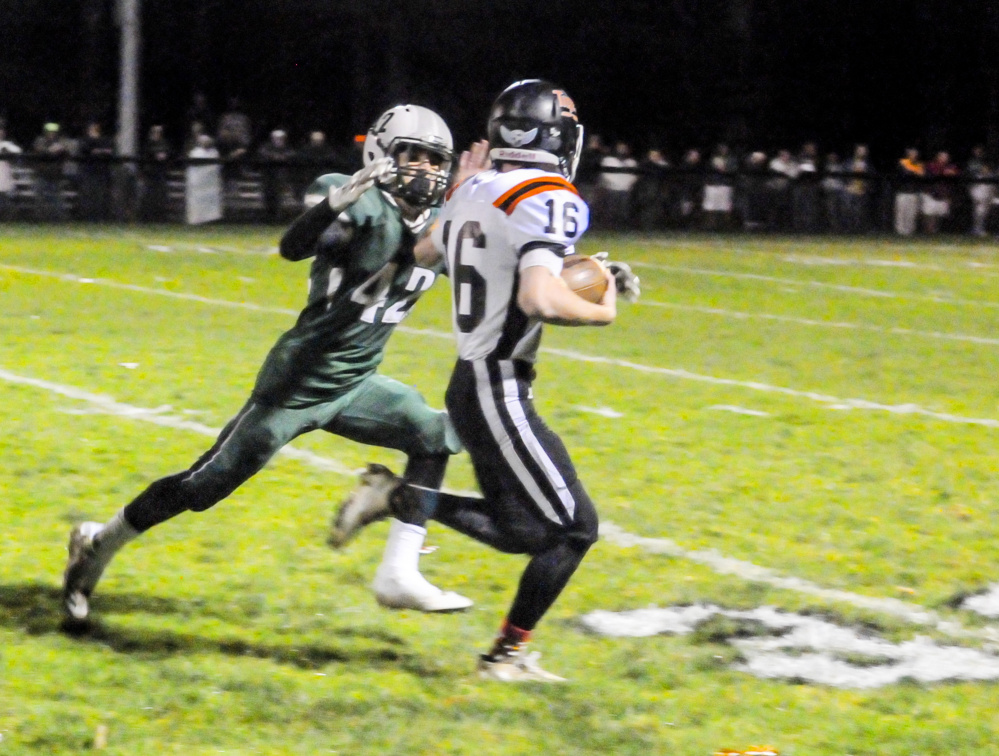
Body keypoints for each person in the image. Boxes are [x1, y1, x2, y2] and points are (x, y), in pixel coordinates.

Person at [62, 105, 480, 622]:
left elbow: (492, 266)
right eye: (411, 154)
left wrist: (575, 269)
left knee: (435, 435)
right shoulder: (358, 198)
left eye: (434, 159)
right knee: (201, 487)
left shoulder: (440, 223)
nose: (423, 168)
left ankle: (399, 571)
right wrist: (336, 203)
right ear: (380, 151)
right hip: (298, 384)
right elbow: (298, 245)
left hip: (357, 382)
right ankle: (97, 544)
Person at [331, 80, 639, 682]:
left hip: (471, 386)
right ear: (556, 136)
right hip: (497, 389)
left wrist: (584, 268)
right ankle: (505, 658)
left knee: (522, 529)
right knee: (575, 529)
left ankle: (394, 498)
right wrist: (600, 305)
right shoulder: (551, 195)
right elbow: (536, 294)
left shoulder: (476, 189)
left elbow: (429, 252)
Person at [31, 122, 71, 221]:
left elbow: (66, 152)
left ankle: (58, 219)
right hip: (41, 174)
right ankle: (39, 219)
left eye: (54, 132)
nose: (51, 134)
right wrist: (50, 151)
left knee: (57, 198)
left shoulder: (61, 141)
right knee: (39, 198)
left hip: (55, 175)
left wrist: (59, 149)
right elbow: (39, 151)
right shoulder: (40, 140)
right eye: (49, 132)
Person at [140, 124, 174, 222]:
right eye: (155, 132)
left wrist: (163, 156)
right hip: (150, 174)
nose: (157, 134)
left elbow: (169, 154)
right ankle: (148, 218)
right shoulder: (148, 144)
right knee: (149, 196)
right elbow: (145, 155)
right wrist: (155, 155)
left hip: (161, 174)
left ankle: (160, 217)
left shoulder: (164, 143)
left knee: (161, 196)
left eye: (159, 132)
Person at [894, 147, 923, 236]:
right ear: (908, 154)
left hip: (913, 193)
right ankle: (900, 232)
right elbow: (903, 174)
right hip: (902, 192)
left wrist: (914, 172)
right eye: (911, 153)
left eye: (915, 154)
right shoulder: (902, 163)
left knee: (911, 214)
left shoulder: (919, 165)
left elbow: (921, 176)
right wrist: (914, 172)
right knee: (901, 213)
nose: (913, 155)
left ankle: (910, 232)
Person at [0, 123, 23, 221]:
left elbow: (18, 151)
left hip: (4, 178)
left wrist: (7, 152)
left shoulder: (6, 144)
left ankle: (8, 221)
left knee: (6, 203)